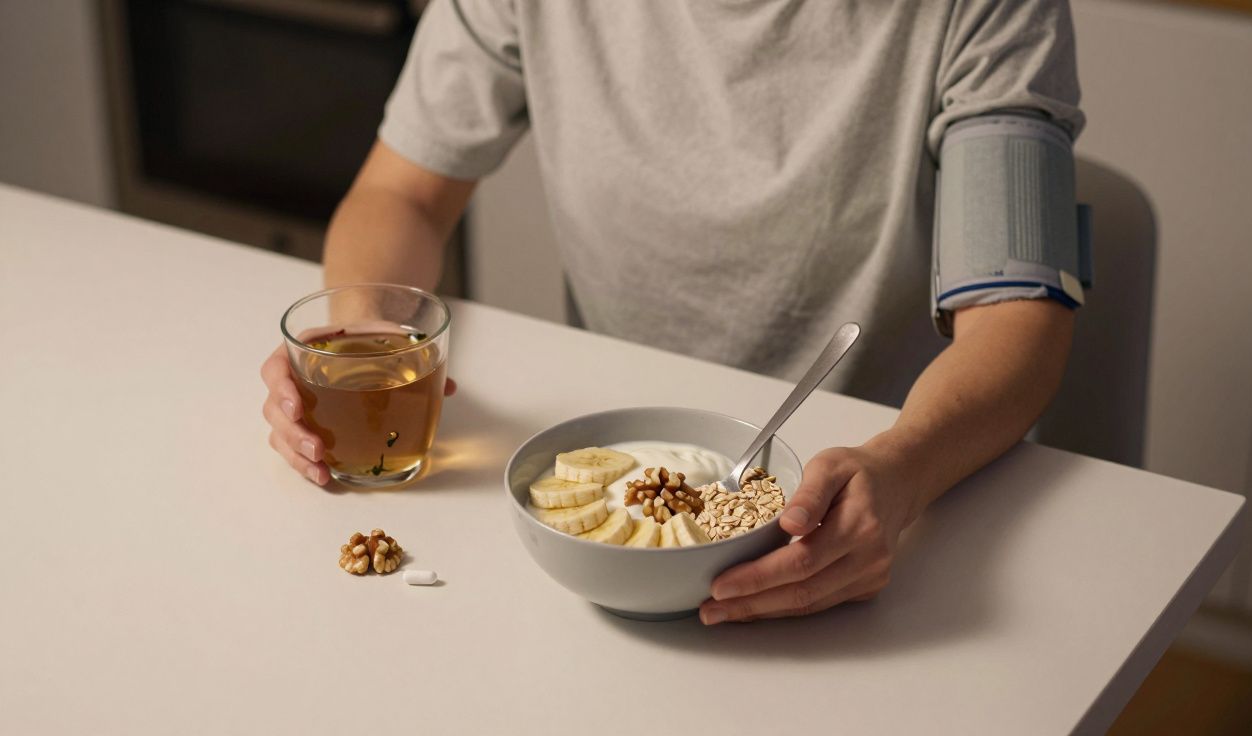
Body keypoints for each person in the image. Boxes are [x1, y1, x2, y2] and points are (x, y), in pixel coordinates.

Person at [261, 0, 1085, 626]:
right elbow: (401, 192)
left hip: (890, 498)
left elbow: (1019, 322)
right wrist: (366, 337)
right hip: (604, 519)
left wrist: (902, 469)